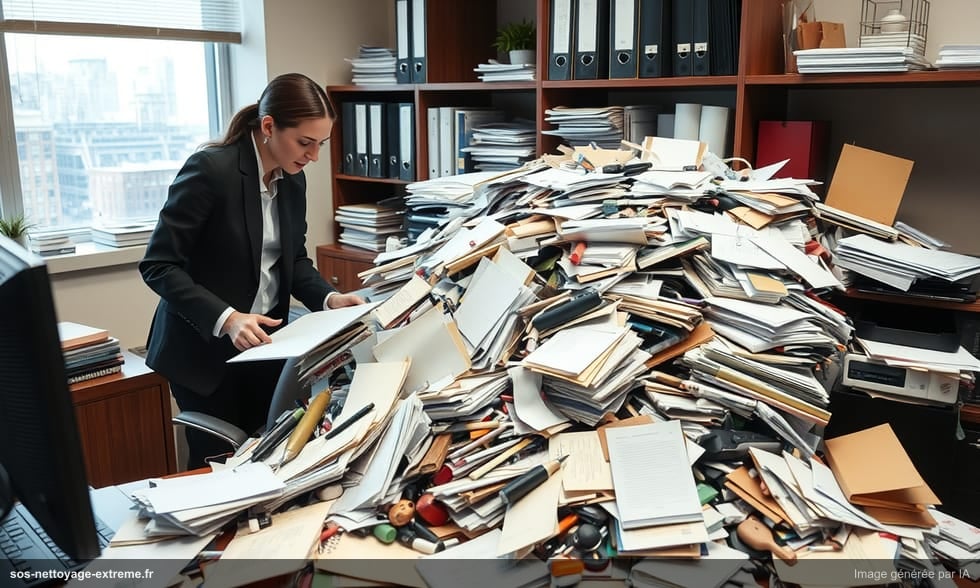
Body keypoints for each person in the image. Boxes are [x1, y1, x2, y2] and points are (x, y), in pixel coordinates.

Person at [139, 73, 364, 469]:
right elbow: (158, 265)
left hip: (263, 348)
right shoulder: (211, 170)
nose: (313, 157)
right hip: (204, 353)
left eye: (320, 146)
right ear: (268, 126)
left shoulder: (292, 182)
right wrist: (227, 319)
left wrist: (329, 299)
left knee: (268, 462)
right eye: (305, 143)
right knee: (217, 471)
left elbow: (293, 260)